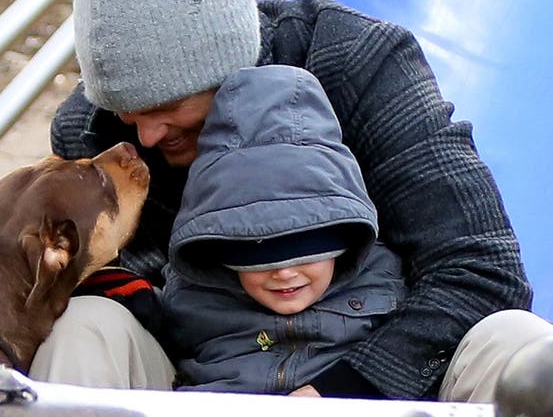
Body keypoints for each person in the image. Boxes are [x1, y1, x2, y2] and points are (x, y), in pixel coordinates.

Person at [29, 0, 553, 402]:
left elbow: (482, 270)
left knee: (520, 345)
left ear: (234, 69)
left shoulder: (357, 66)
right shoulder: (92, 135)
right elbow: (119, 291)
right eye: (129, 112)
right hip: (207, 381)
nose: (146, 138)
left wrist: (332, 397)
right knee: (82, 326)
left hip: (382, 371)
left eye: (169, 107)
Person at [163, 64, 406, 396]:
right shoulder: (191, 296)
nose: (284, 272)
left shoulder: (383, 279)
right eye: (258, 251)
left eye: (306, 246)